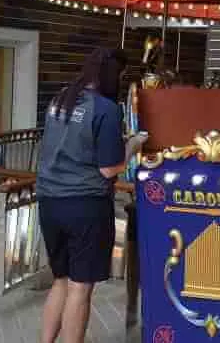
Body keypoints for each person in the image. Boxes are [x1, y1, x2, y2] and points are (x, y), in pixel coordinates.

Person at [36, 48, 147, 343]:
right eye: (121, 76)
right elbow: (110, 169)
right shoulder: (107, 109)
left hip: (49, 201)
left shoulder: (60, 99)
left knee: (60, 281)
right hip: (85, 205)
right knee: (80, 288)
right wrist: (132, 146)